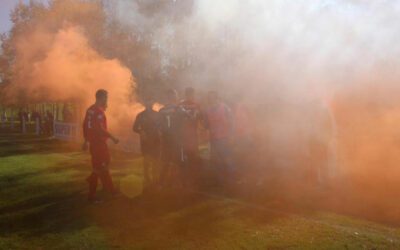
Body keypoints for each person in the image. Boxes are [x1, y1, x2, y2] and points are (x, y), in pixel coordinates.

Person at [82, 89, 119, 202]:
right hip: (99, 143)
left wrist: (86, 140)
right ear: (101, 97)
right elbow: (100, 129)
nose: (107, 99)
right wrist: (112, 137)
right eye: (106, 97)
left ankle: (108, 189)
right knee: (101, 167)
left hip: (93, 143)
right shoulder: (98, 111)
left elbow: (84, 126)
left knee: (102, 166)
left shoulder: (90, 110)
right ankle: (93, 195)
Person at [158, 89, 188, 188]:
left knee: (171, 161)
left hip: (173, 139)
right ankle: (174, 182)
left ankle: (168, 182)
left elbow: (159, 125)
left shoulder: (163, 110)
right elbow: (189, 117)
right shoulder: (179, 109)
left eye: (173, 96)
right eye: (172, 96)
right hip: (174, 139)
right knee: (175, 161)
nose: (172, 98)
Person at [204, 91, 234, 183]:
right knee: (216, 161)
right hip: (213, 139)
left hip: (224, 138)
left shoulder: (224, 108)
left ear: (217, 98)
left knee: (227, 159)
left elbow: (231, 122)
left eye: (213, 97)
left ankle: (231, 178)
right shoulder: (207, 111)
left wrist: (231, 135)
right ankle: (220, 181)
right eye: (210, 98)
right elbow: (206, 125)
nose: (212, 99)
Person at [133, 99, 161, 190]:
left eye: (151, 102)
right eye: (147, 102)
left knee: (156, 161)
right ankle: (147, 178)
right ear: (145, 104)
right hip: (145, 142)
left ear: (153, 104)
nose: (149, 104)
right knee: (147, 160)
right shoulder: (140, 115)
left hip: (156, 140)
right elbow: (134, 128)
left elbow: (162, 126)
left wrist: (161, 133)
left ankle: (155, 179)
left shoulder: (157, 114)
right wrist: (141, 131)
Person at [179, 87, 203, 186]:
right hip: (183, 135)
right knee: (183, 157)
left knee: (193, 156)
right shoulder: (180, 104)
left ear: (193, 94)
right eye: (188, 94)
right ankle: (184, 178)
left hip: (193, 134)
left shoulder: (197, 105)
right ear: (186, 94)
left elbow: (200, 117)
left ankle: (194, 178)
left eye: (192, 94)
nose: (190, 95)